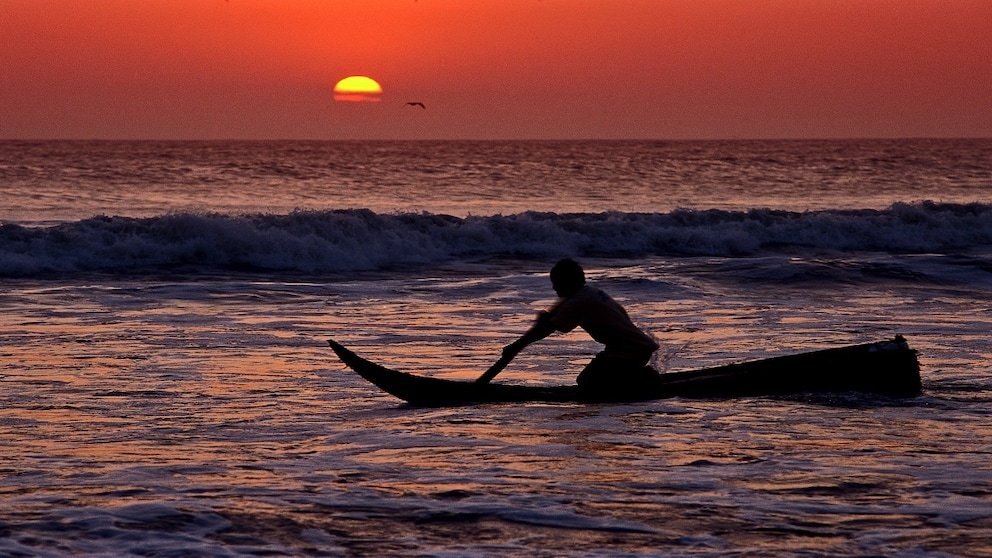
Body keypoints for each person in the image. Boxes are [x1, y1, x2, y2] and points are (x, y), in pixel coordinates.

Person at [476, 258, 660, 392]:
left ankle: (645, 378)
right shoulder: (588, 293)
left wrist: (516, 346)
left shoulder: (578, 302)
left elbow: (548, 328)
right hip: (631, 348)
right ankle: (635, 379)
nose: (554, 289)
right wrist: (523, 340)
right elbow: (549, 319)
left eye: (556, 284)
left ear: (567, 282)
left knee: (588, 382)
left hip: (629, 351)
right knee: (592, 381)